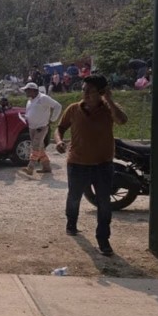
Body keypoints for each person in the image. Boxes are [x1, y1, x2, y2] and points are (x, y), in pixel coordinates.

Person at [54, 74, 128, 257]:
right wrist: (59, 141)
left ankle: (103, 239)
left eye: (90, 91)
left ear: (101, 92)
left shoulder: (109, 109)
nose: (85, 94)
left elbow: (122, 120)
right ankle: (71, 223)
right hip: (77, 163)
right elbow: (60, 128)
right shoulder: (73, 109)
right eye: (83, 90)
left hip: (103, 165)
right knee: (74, 197)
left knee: (104, 202)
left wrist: (109, 100)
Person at [20, 82, 62, 176]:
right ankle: (46, 167)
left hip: (41, 127)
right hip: (32, 127)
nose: (26, 92)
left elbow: (58, 106)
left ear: (33, 90)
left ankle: (30, 167)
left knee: (35, 146)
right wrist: (25, 117)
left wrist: (53, 119)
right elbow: (31, 113)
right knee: (40, 147)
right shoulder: (29, 101)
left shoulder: (43, 98)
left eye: (27, 90)